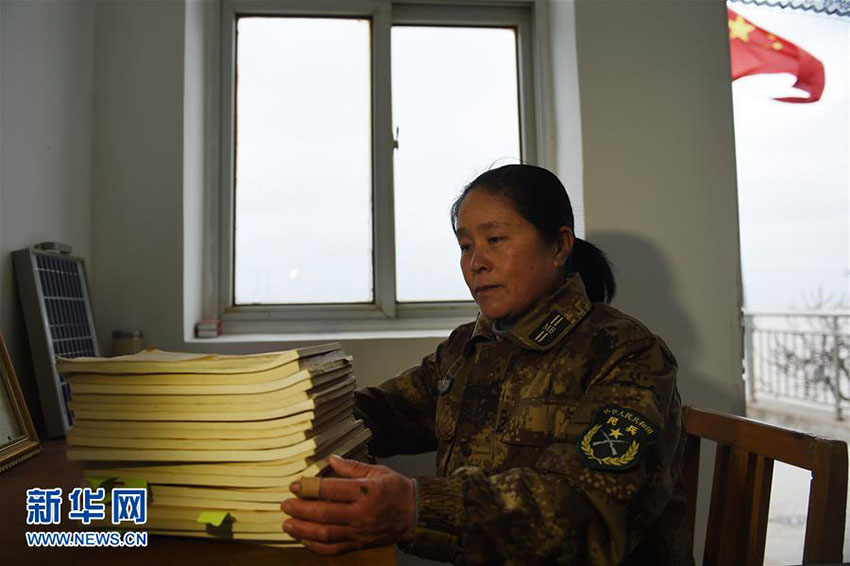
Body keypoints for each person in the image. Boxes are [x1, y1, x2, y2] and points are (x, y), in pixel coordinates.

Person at [281, 164, 693, 565]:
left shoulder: (625, 354)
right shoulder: (469, 347)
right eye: (465, 246)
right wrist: (283, 415)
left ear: (559, 246)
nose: (476, 262)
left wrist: (416, 508)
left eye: (495, 239)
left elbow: (587, 511)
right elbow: (385, 412)